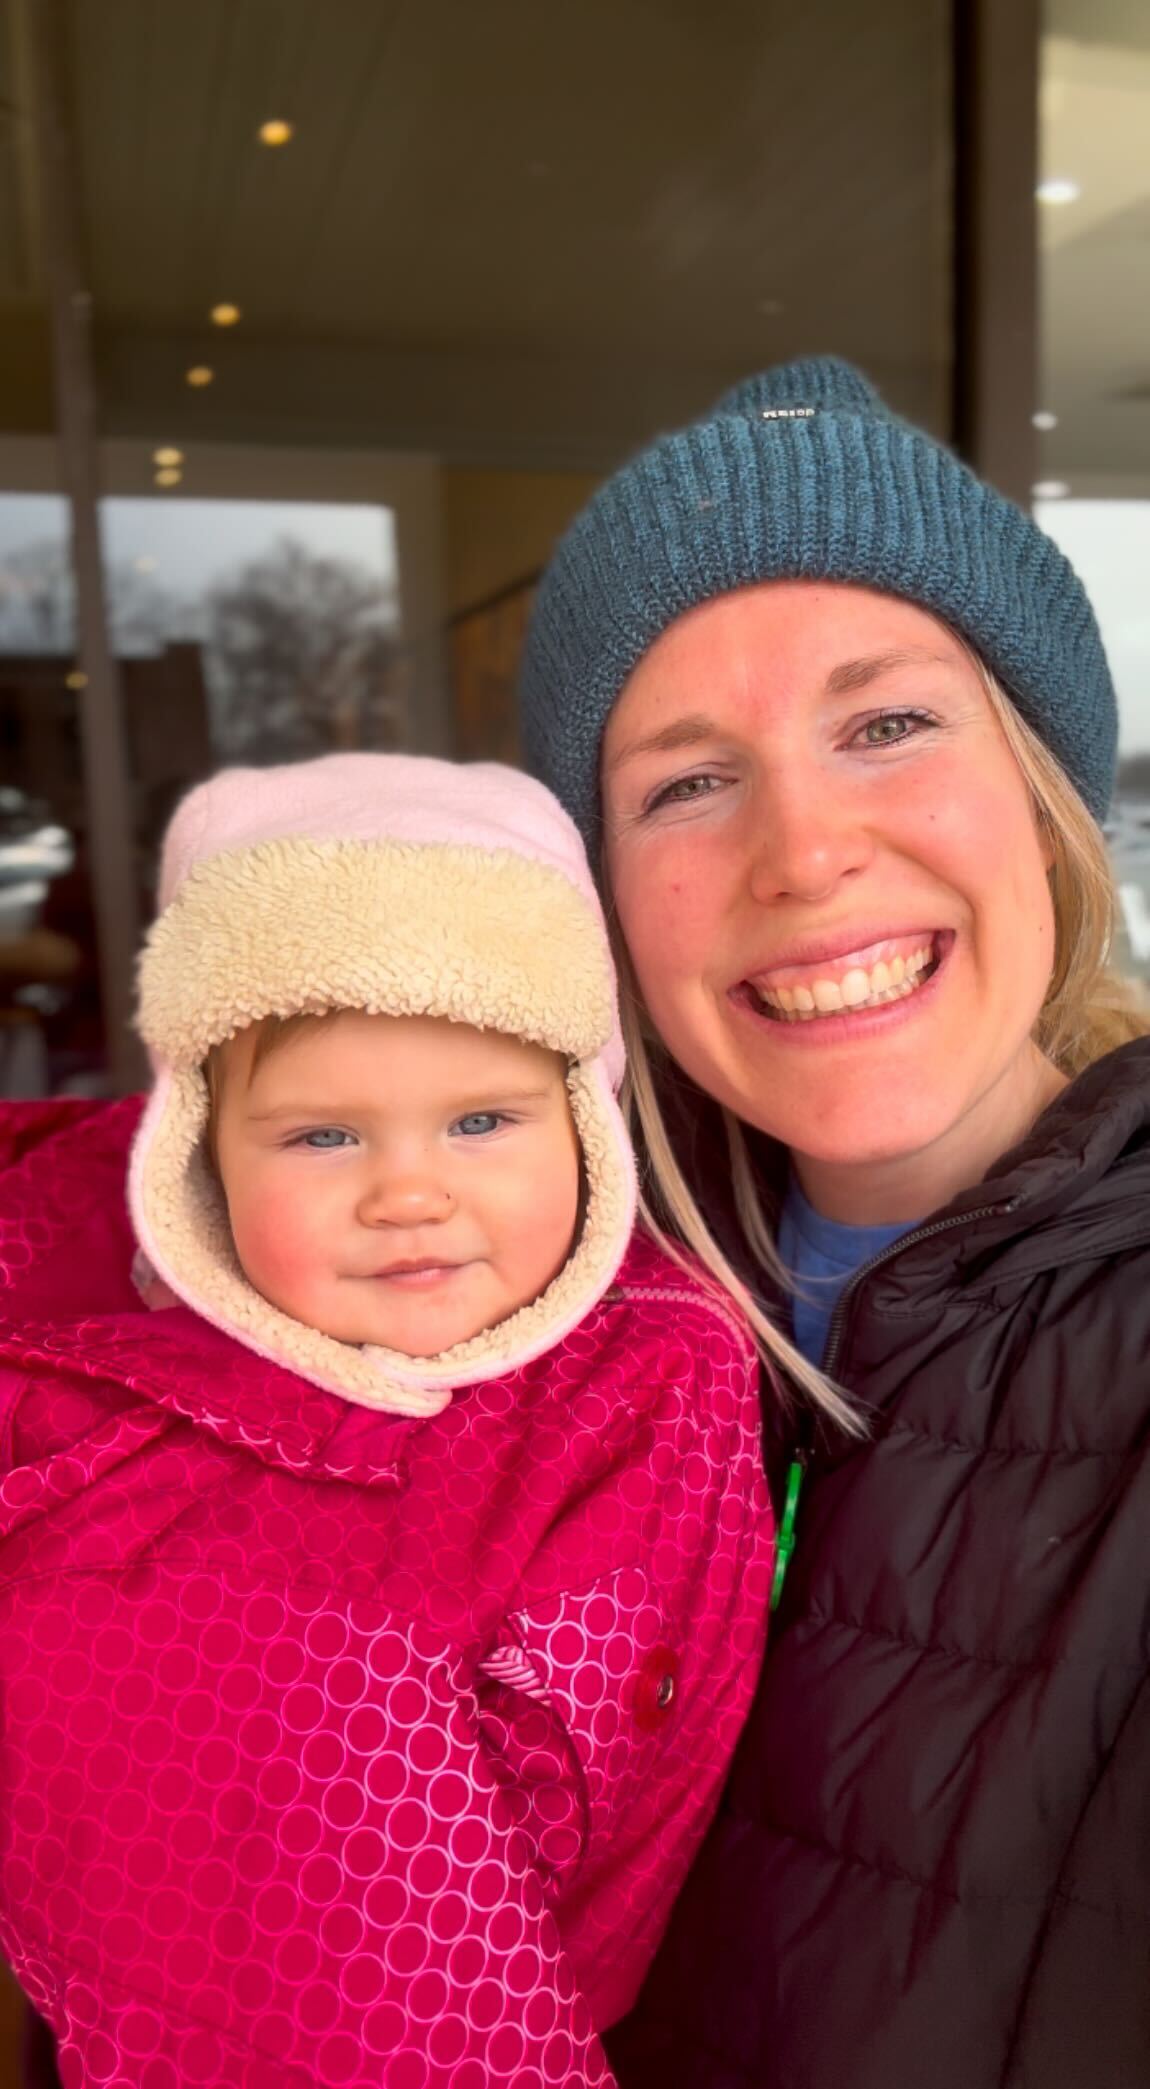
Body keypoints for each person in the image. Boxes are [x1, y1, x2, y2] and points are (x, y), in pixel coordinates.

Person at [519, 355, 1150, 2089]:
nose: (801, 854)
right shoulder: (521, 1334)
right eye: (683, 781)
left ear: (1041, 797)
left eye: (885, 725)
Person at [0, 752, 774, 2088]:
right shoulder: (90, 1413)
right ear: (201, 1158)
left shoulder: (660, 1374)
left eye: (480, 1120)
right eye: (322, 1137)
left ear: (583, 1122)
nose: (408, 1192)